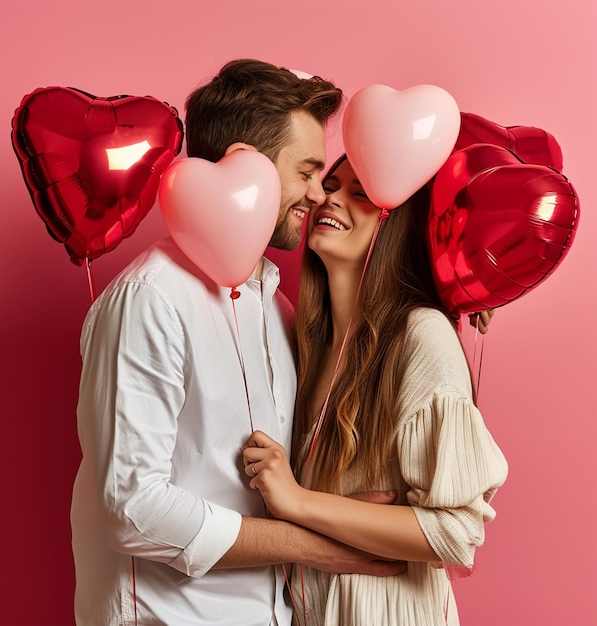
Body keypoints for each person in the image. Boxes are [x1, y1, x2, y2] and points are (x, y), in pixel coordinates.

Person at [70, 60, 406, 626]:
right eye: (306, 172)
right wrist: (317, 547)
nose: (318, 193)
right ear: (244, 165)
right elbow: (132, 510)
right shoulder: (152, 298)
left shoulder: (274, 303)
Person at [242, 154, 509, 626]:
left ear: (397, 225)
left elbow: (457, 531)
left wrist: (297, 500)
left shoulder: (420, 334)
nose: (329, 197)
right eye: (331, 183)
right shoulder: (303, 342)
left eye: (360, 192)